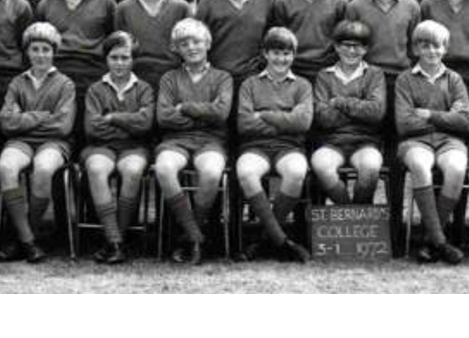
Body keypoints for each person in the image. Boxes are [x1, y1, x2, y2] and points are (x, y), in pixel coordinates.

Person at [154, 18, 234, 264]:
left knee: (211, 172)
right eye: (184, 43)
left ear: (208, 44)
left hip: (211, 141)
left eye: (196, 41)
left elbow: (221, 114)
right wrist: (203, 116)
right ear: (177, 49)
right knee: (164, 168)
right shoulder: (169, 78)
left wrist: (184, 107)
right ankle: (195, 237)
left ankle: (188, 237)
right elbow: (164, 117)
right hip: (175, 141)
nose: (191, 47)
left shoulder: (222, 78)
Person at [0, 22, 76, 262]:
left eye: (46, 49)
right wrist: (42, 116)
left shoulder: (65, 84)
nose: (40, 55)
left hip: (54, 142)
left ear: (54, 52)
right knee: (6, 167)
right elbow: (6, 123)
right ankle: (29, 241)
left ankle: (23, 237)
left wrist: (24, 117)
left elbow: (63, 126)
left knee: (43, 168)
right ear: (27, 52)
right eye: (35, 49)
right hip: (21, 141)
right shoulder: (17, 83)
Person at [235, 27, 314, 262]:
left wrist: (264, 115)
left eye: (287, 53)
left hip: (289, 147)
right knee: (246, 172)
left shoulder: (302, 85)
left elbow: (302, 123)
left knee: (296, 171)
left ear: (294, 55)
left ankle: (263, 240)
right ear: (265, 54)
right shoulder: (250, 84)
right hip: (255, 146)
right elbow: (244, 124)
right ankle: (281, 241)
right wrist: (285, 119)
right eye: (276, 53)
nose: (281, 59)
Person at [395, 20, 469, 265]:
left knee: (457, 168)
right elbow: (405, 124)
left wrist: (429, 114)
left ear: (445, 48)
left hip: (450, 141)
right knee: (419, 165)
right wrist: (448, 117)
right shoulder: (405, 80)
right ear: (415, 49)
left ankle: (430, 240)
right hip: (414, 142)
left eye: (437, 46)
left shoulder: (454, 79)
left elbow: (465, 122)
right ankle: (440, 242)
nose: (431, 51)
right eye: (425, 46)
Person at [81, 31, 154, 264]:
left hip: (134, 147)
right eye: (114, 57)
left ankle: (116, 238)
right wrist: (129, 124)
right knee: (96, 169)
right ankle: (115, 242)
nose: (119, 63)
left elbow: (145, 125)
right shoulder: (95, 90)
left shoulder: (144, 89)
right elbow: (92, 128)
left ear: (133, 59)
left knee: (132, 170)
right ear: (106, 59)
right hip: (100, 146)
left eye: (125, 57)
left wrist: (112, 118)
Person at [311, 20, 387, 205]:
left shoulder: (374, 74)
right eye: (346, 45)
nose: (352, 51)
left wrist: (339, 102)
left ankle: (358, 208)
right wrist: (359, 110)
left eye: (358, 46)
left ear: (366, 49)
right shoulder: (324, 76)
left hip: (365, 142)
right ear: (336, 47)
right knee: (321, 165)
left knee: (371, 166)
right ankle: (348, 210)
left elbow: (376, 112)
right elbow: (323, 118)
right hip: (331, 142)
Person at [34, 0, 116, 101]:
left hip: (95, 72)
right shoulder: (46, 4)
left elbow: (112, 39)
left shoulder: (105, 0)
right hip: (57, 72)